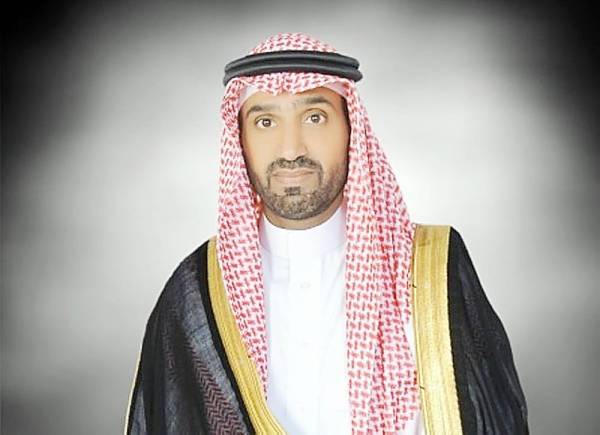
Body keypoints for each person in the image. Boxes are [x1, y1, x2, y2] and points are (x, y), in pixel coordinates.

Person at [124, 33, 528, 435]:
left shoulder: (430, 268)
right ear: (240, 141)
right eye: (265, 122)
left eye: (314, 117)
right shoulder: (197, 291)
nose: (290, 150)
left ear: (352, 131)